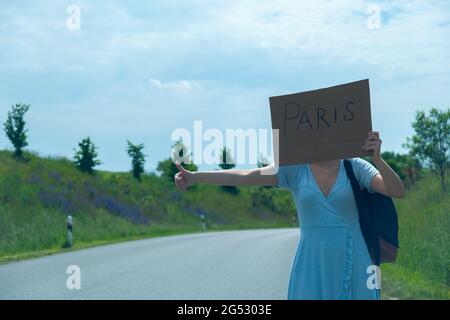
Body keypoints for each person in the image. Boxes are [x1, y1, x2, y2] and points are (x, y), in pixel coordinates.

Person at [174, 131, 405, 300]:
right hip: (312, 260)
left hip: (354, 256)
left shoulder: (355, 167)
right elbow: (246, 176)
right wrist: (195, 177)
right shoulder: (294, 169)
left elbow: (396, 190)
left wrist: (377, 159)